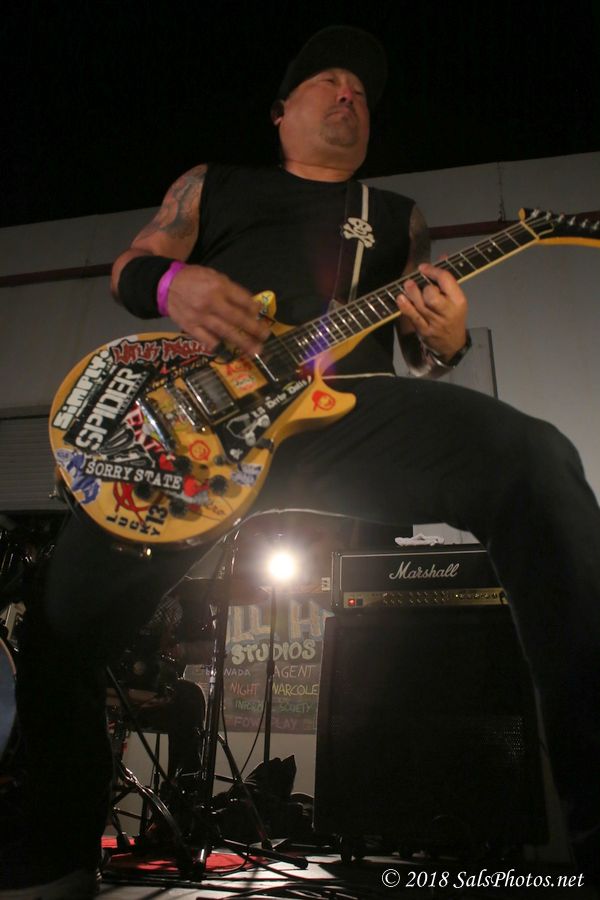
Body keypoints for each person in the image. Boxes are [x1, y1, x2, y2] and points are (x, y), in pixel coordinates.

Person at [2, 24, 599, 900]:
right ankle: (50, 863)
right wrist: (171, 284)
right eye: (329, 81)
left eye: (363, 91)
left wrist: (446, 341)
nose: (349, 94)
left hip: (343, 412)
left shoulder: (395, 215)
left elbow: (421, 352)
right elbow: (136, 262)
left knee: (533, 459)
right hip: (194, 428)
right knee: (60, 625)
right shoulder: (214, 184)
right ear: (281, 111)